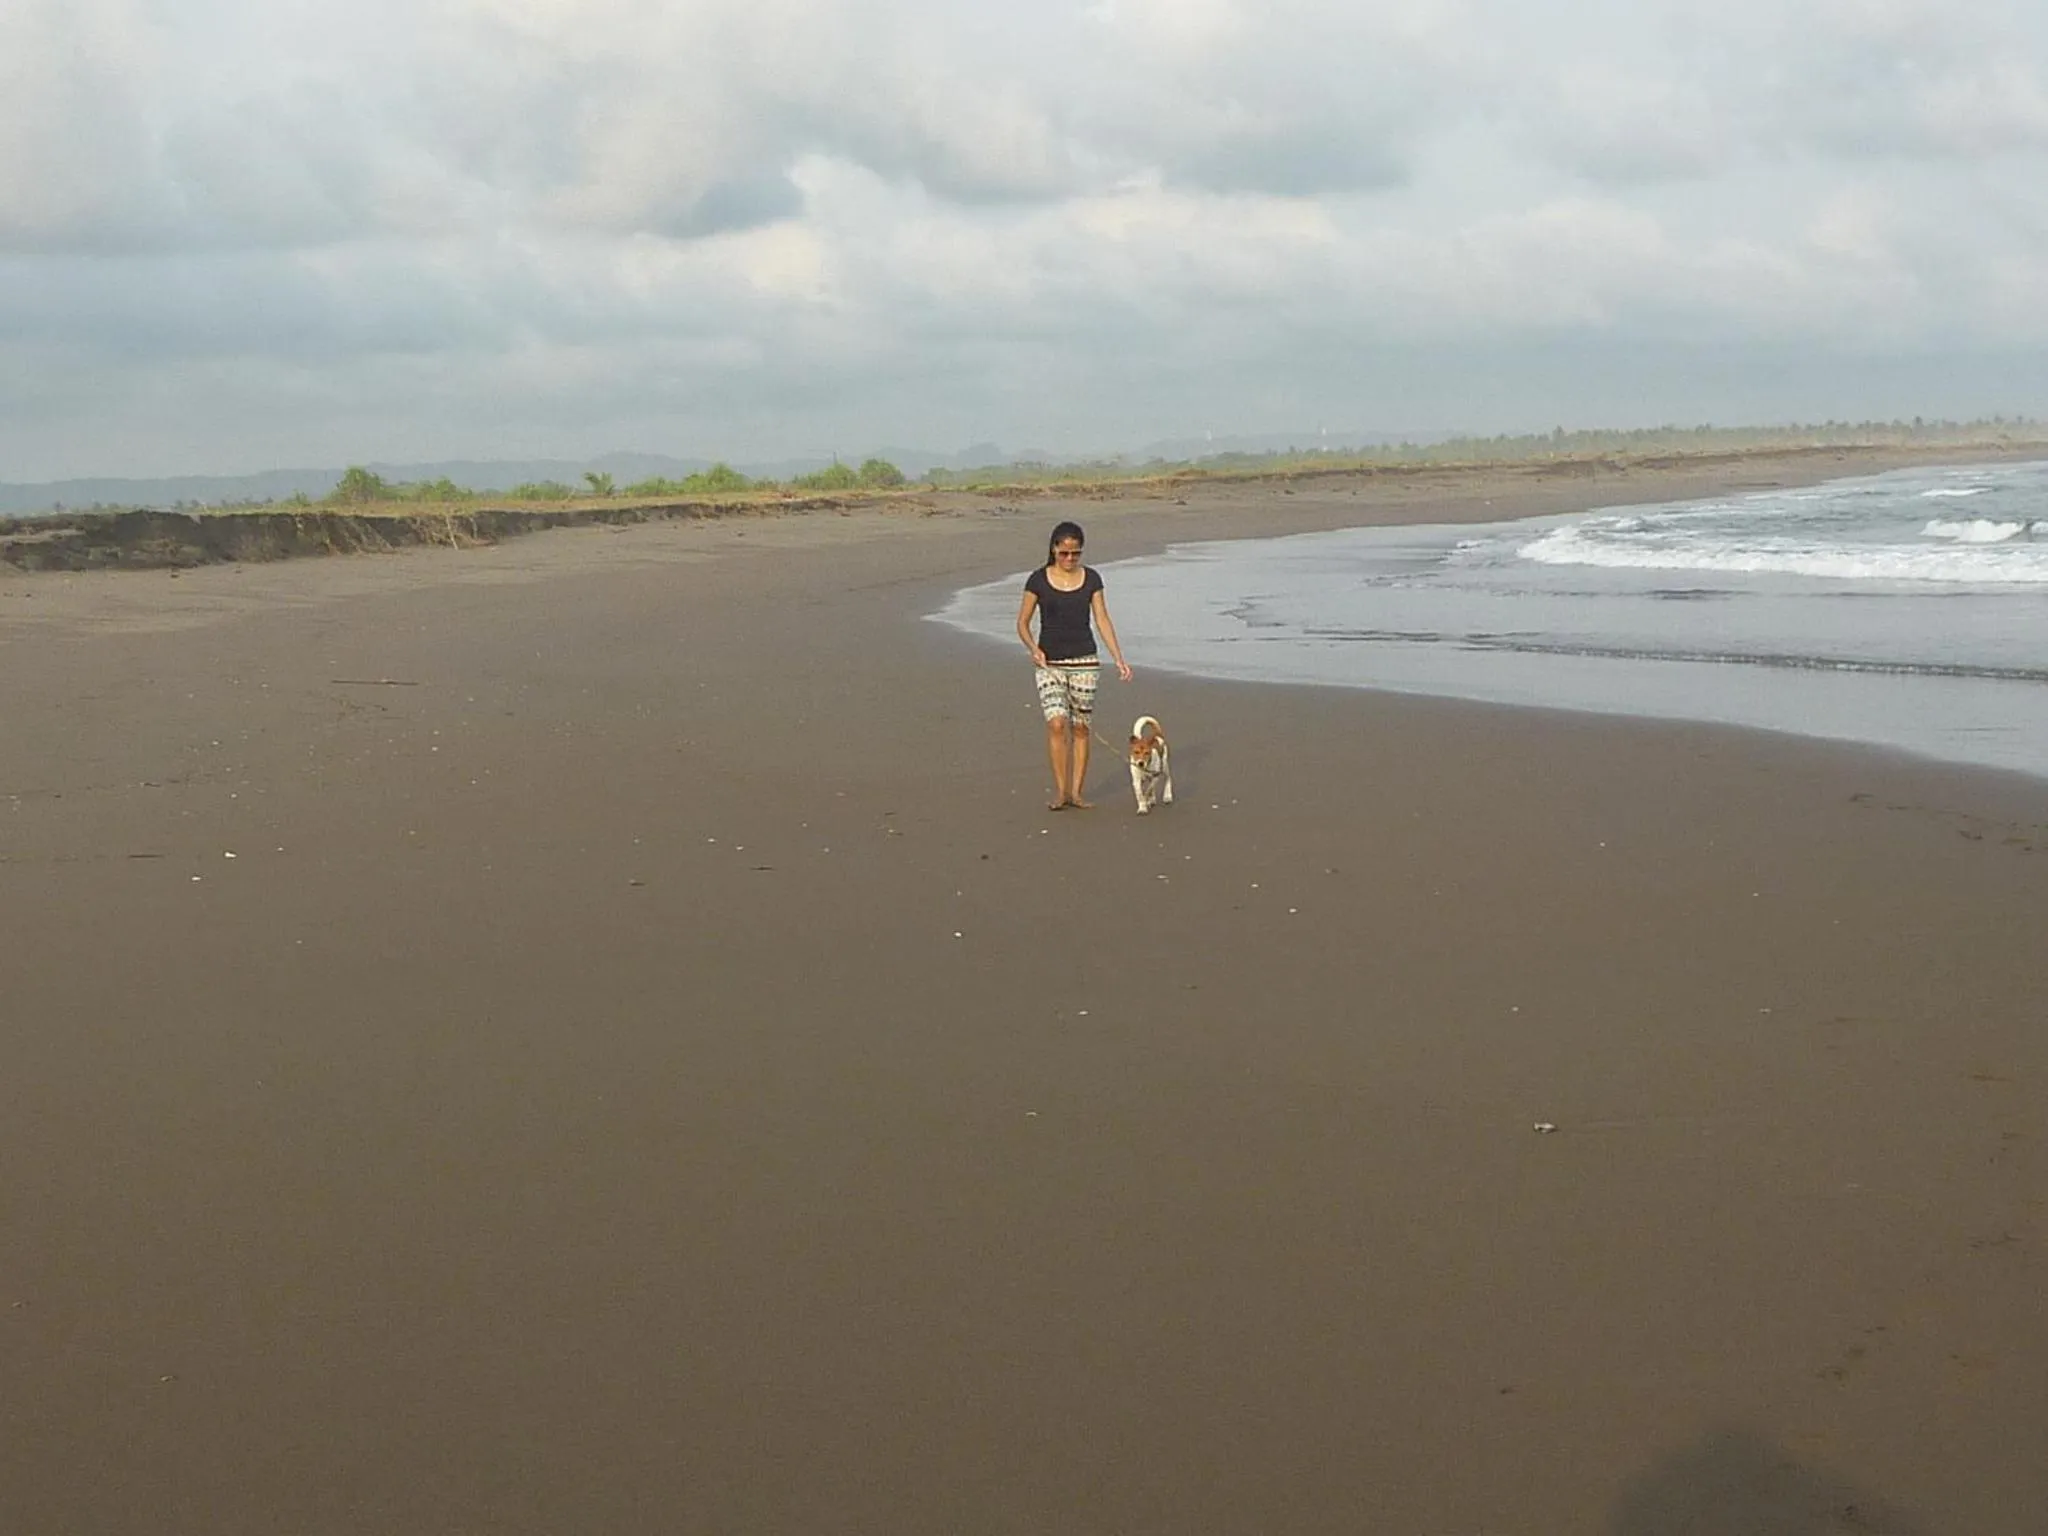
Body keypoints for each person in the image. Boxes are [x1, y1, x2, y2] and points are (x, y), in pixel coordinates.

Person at [1015, 520, 1133, 810]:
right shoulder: (1037, 580)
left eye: (1075, 553)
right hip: (1049, 664)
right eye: (1064, 553)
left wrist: (1118, 657)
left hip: (1085, 661)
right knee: (1057, 723)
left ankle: (1077, 792)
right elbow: (1022, 622)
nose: (1069, 559)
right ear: (1054, 549)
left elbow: (1102, 619)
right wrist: (1033, 648)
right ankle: (1060, 791)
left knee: (1080, 728)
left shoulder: (1092, 579)